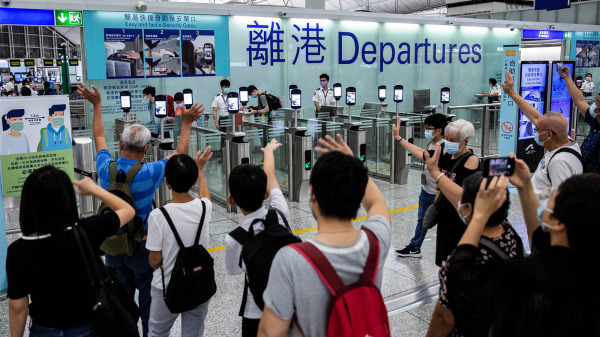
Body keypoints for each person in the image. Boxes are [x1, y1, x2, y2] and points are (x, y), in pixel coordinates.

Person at [77, 82, 205, 337]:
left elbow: (99, 137)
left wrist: (97, 105)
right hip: (142, 247)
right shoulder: (150, 172)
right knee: (147, 300)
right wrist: (187, 123)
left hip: (112, 245)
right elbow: (179, 154)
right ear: (147, 150)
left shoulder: (105, 168)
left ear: (121, 146)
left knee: (120, 298)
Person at [443, 154, 600, 336]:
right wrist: (525, 186)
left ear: (559, 224)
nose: (544, 196)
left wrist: (479, 215)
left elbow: (458, 277)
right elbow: (539, 239)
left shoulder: (525, 276)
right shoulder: (585, 265)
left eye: (551, 197)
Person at [257, 134, 391, 337]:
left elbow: (270, 333)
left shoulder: (290, 259)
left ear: (312, 195)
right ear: (358, 194)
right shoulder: (377, 242)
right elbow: (377, 202)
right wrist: (353, 162)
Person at [7, 167, 135, 337]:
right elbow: (128, 210)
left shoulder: (17, 251)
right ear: (66, 199)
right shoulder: (86, 230)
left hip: (44, 329)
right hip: (88, 326)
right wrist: (95, 190)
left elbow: (18, 307)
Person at [425, 173, 524, 337]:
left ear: (470, 209)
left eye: (463, 203)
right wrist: (438, 175)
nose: (460, 205)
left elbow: (444, 318)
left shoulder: (461, 262)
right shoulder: (509, 233)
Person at [224, 139, 289, 337]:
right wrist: (268, 151)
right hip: (288, 304)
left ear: (231, 200)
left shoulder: (234, 239)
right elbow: (271, 176)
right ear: (266, 194)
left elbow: (234, 270)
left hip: (256, 312)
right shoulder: (279, 214)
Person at [146, 148, 213, 337]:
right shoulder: (204, 207)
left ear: (166, 181)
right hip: (199, 282)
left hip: (166, 288)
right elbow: (205, 195)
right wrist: (200, 171)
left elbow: (154, 261)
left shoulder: (158, 216)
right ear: (192, 182)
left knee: (158, 332)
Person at [502, 70, 583, 196]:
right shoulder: (564, 140)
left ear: (549, 135)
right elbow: (536, 118)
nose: (535, 132)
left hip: (542, 213)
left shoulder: (560, 161)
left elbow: (562, 201)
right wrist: (512, 93)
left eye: (537, 130)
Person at [418, 119, 480, 266]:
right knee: (444, 260)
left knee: (457, 261)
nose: (448, 143)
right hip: (444, 215)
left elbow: (463, 194)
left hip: (459, 218)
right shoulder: (446, 154)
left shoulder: (471, 161)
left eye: (452, 140)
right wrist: (399, 139)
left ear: (465, 141)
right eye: (447, 139)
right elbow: (423, 155)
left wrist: (440, 181)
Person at [392, 113, 447, 258]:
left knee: (444, 225)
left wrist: (399, 138)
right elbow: (420, 152)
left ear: (439, 130)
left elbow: (419, 153)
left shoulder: (442, 147)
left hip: (438, 193)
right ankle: (415, 247)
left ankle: (449, 253)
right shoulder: (432, 143)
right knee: (422, 220)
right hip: (426, 190)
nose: (427, 131)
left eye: (429, 128)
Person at [558, 66, 600, 173]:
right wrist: (567, 77)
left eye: (597, 102)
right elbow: (579, 100)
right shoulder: (596, 122)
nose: (594, 105)